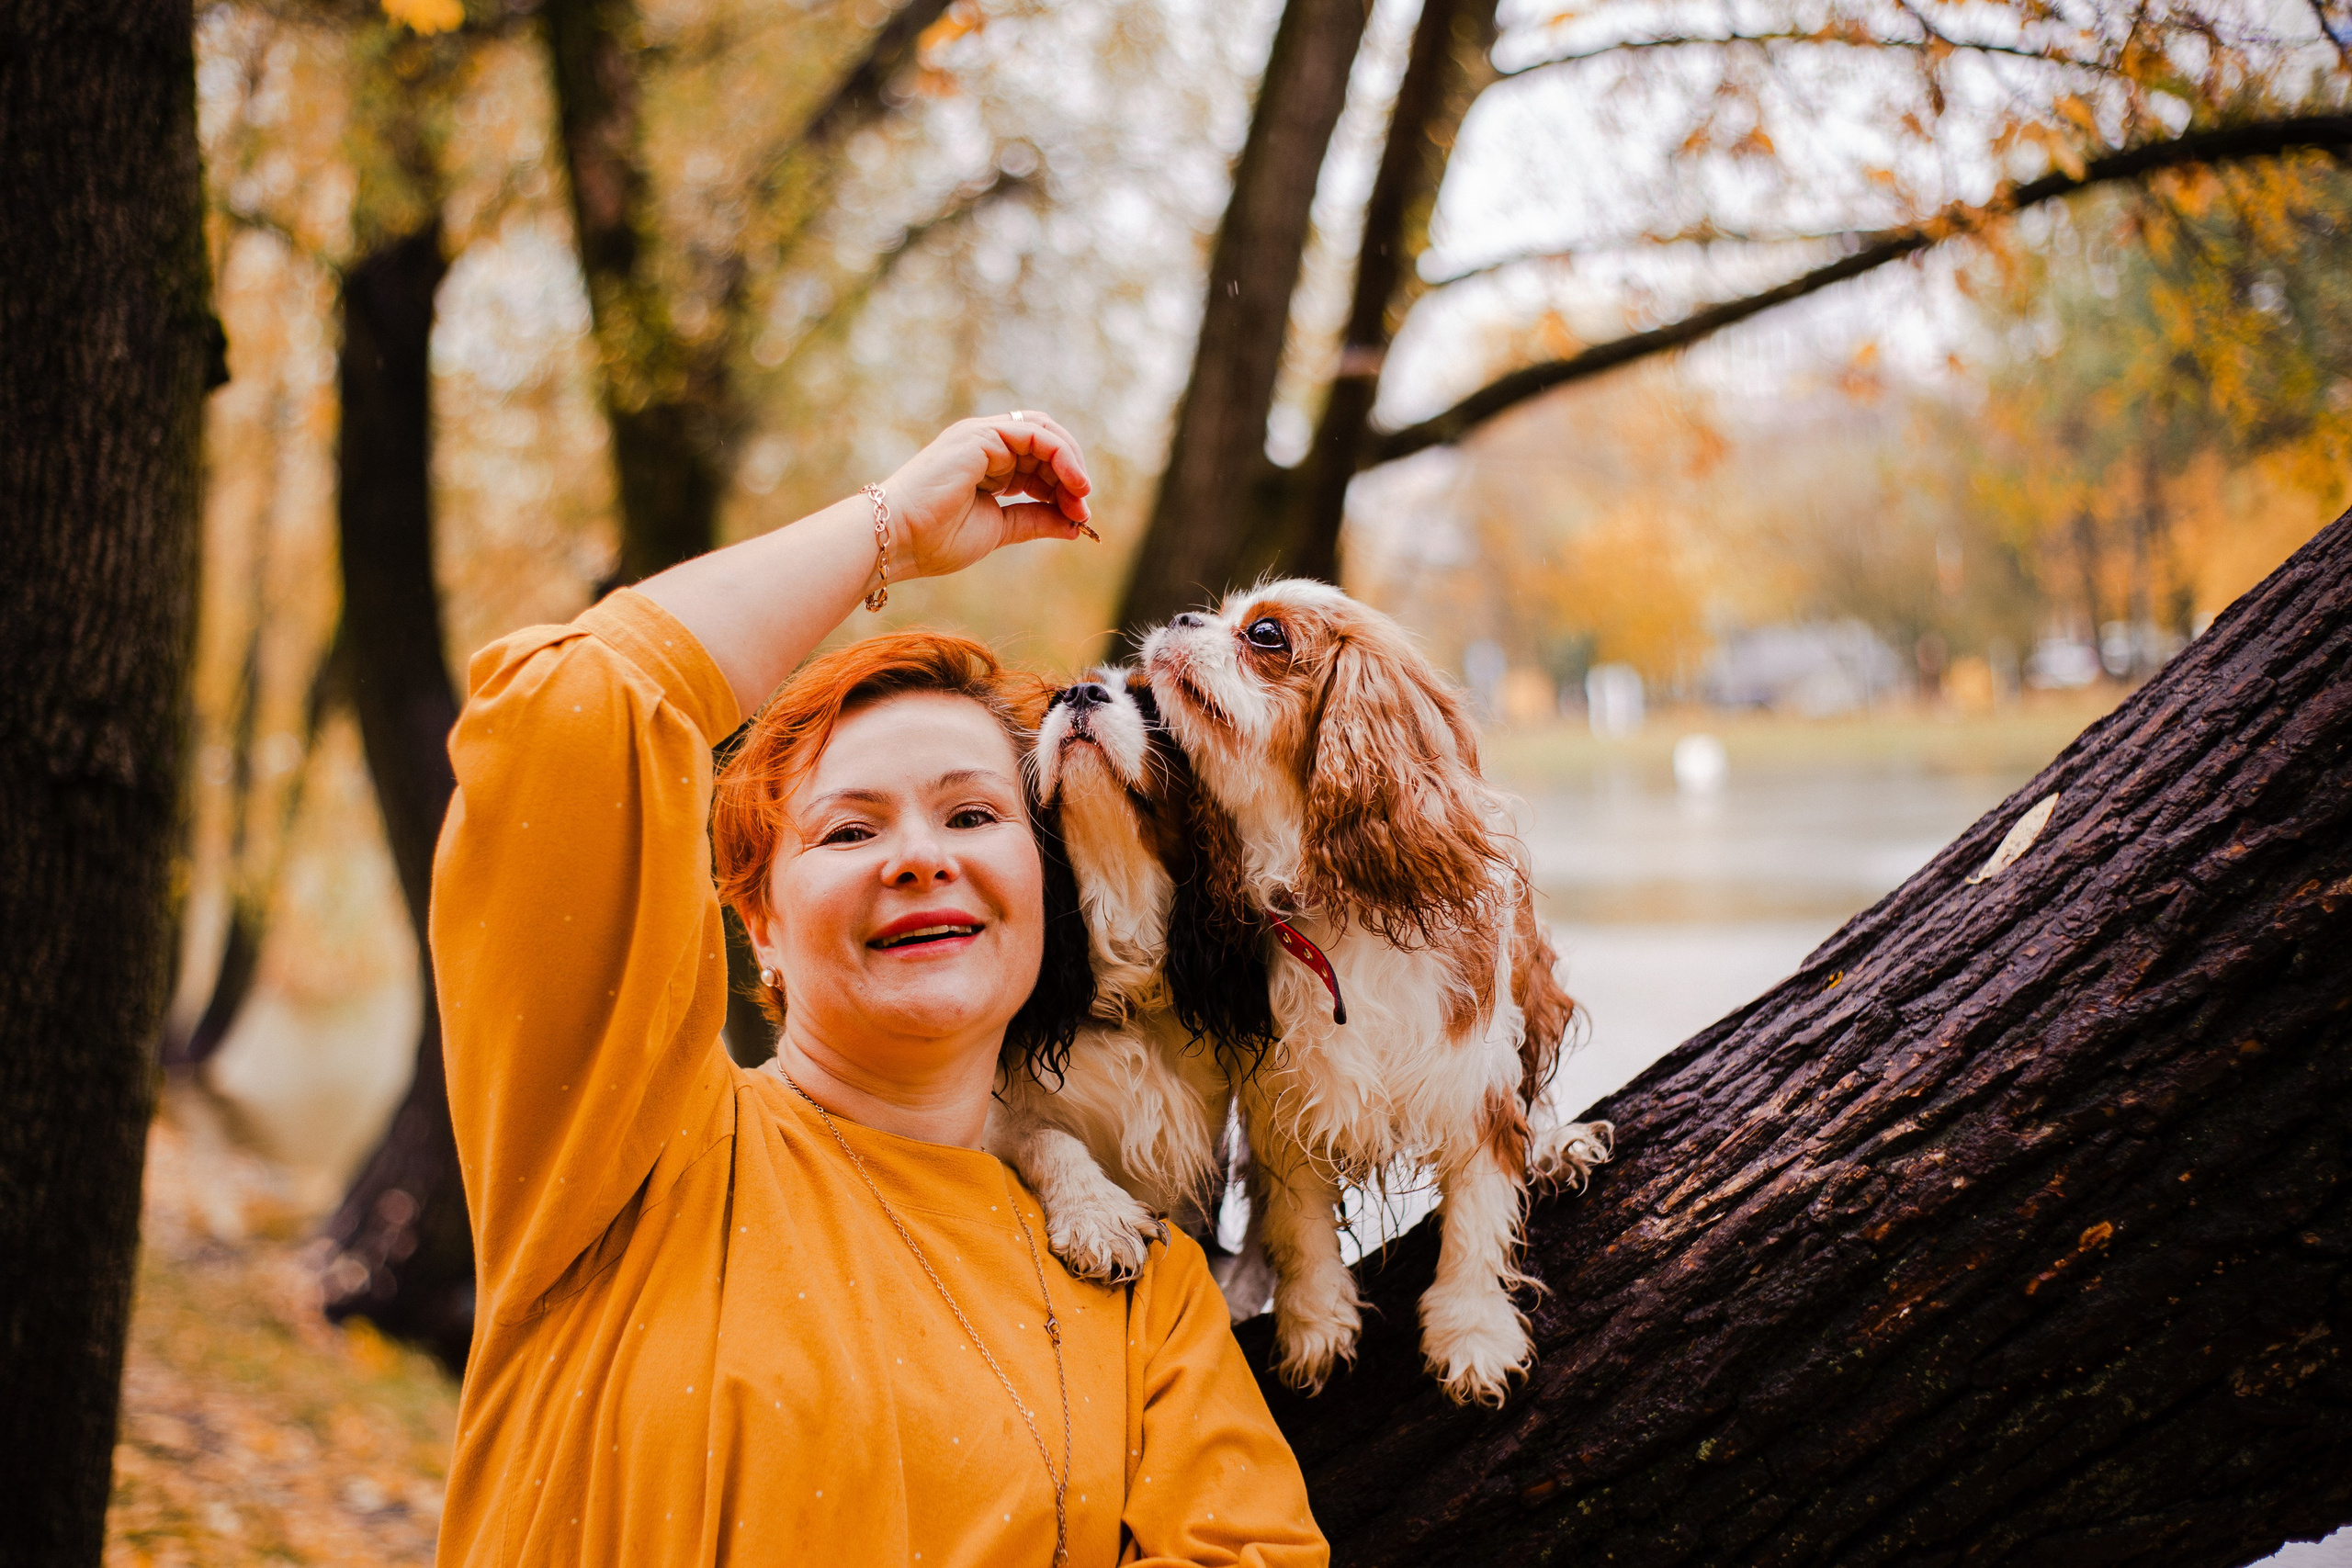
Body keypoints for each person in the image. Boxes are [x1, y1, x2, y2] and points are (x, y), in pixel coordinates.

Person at [430, 412, 1328, 1567]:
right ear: (758, 922)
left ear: (1044, 890)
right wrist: (886, 532)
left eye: (971, 814)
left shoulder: (1143, 1295)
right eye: (850, 830)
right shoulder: (623, 1148)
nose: (920, 857)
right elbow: (574, 704)